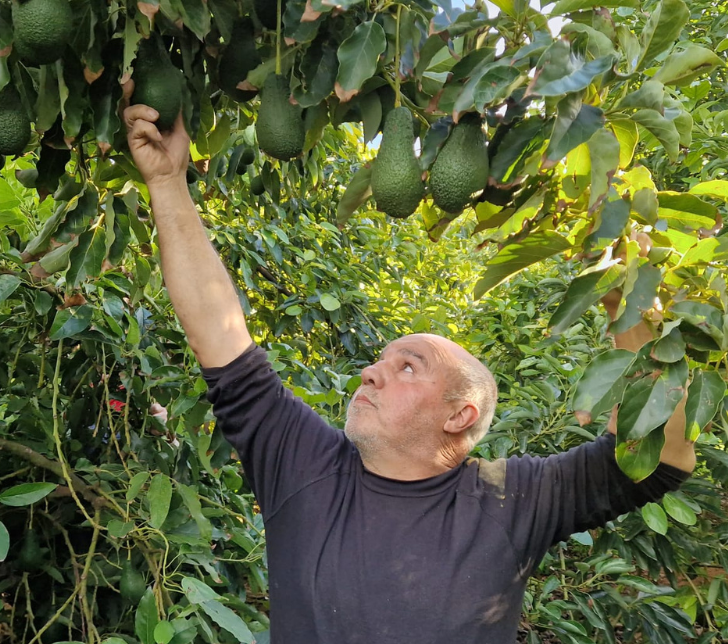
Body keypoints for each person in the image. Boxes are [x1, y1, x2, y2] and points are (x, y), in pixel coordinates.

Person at [121, 95, 697, 643]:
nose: (372, 373)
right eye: (379, 361)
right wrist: (168, 183)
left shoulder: (510, 500)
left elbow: (661, 456)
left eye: (408, 367)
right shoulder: (303, 466)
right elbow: (220, 333)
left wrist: (627, 295)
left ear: (459, 414)